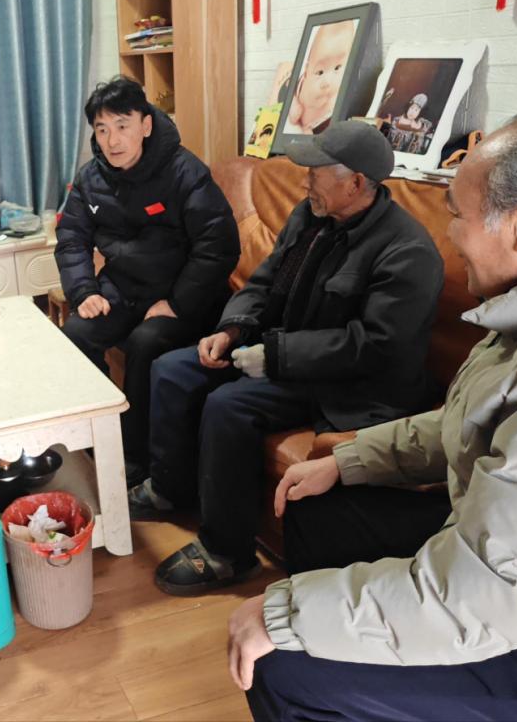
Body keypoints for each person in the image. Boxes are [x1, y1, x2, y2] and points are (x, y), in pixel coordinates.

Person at [228, 108, 517, 722]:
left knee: (280, 666)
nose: (450, 234)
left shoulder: (408, 251)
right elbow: (462, 422)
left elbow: (484, 594)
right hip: (488, 549)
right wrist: (348, 460)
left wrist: (285, 615)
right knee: (316, 506)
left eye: (458, 214)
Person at [139, 121, 445, 595]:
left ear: (355, 183)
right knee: (173, 369)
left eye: (315, 173)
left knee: (229, 406)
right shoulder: (311, 216)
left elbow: (373, 345)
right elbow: (264, 280)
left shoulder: (407, 251)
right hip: (285, 352)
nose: (305, 182)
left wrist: (277, 356)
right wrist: (232, 328)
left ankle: (227, 552)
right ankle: (170, 489)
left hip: (348, 384)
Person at [54, 76, 240, 481]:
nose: (112, 140)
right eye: (102, 129)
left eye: (122, 125)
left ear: (146, 124)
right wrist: (84, 290)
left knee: (145, 342)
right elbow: (71, 238)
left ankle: (135, 459)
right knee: (76, 333)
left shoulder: (184, 171)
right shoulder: (90, 178)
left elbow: (219, 246)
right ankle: (98, 437)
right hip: (123, 288)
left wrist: (177, 302)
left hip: (183, 295)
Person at [285, 19, 356, 135]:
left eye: (337, 68)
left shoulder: (341, 93)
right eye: (320, 72)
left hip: (319, 125)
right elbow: (286, 86)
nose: (328, 82)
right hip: (302, 116)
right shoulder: (301, 83)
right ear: (307, 70)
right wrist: (293, 102)